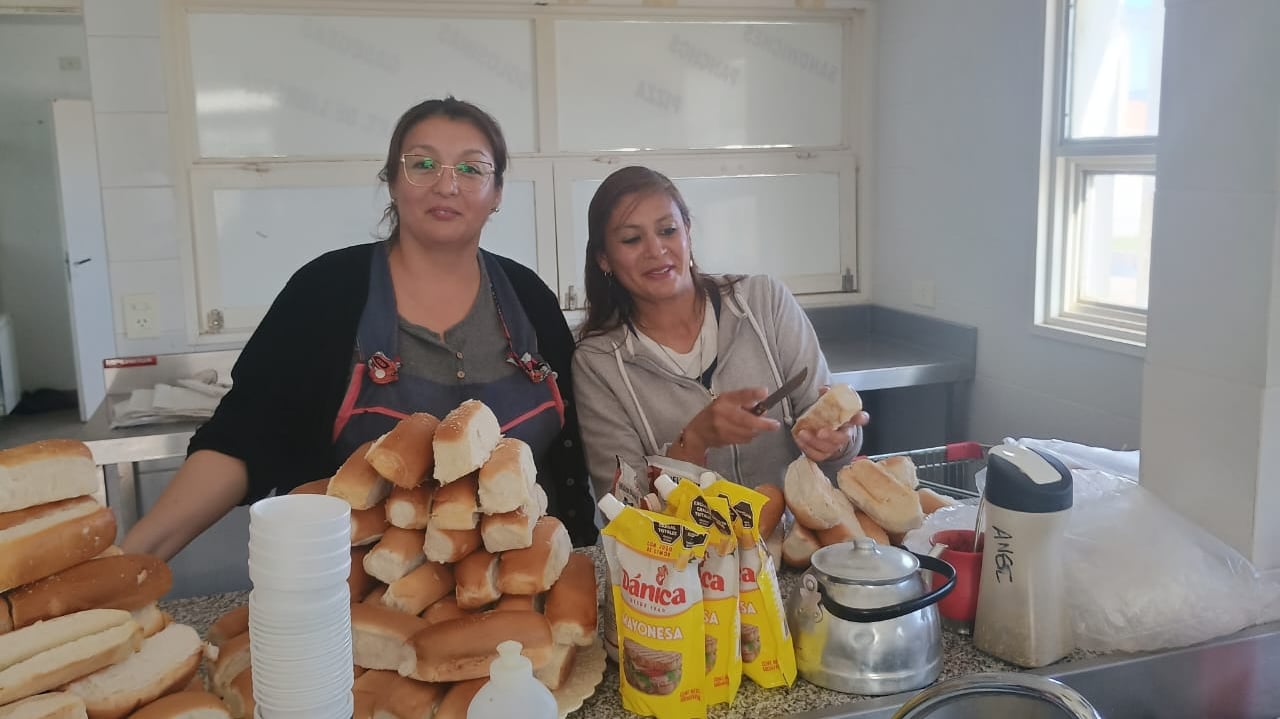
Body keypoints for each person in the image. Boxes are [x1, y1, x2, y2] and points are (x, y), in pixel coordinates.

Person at [122, 97, 598, 558]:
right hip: (357, 590)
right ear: (392, 182)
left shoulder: (529, 297)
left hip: (526, 585)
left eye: (471, 168)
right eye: (422, 164)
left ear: (496, 194)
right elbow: (243, 437)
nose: (446, 185)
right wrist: (136, 555)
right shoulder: (326, 292)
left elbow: (572, 453)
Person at [573, 166, 869, 503]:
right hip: (687, 540)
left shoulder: (764, 302)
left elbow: (833, 432)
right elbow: (624, 507)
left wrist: (838, 441)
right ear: (604, 259)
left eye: (668, 230)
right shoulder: (598, 363)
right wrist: (694, 440)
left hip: (793, 534)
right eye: (632, 239)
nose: (656, 250)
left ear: (687, 232)